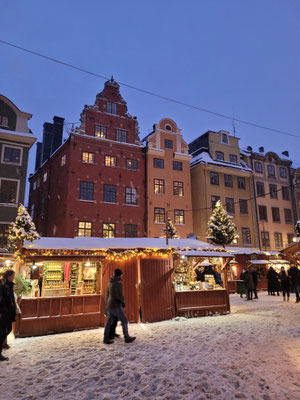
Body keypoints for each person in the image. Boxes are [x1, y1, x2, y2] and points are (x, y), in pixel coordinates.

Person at [103, 269, 136, 345]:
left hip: (110, 305)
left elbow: (109, 294)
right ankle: (126, 337)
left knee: (109, 322)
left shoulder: (110, 282)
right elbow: (119, 295)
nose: (122, 276)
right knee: (124, 320)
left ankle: (106, 338)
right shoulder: (118, 283)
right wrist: (122, 302)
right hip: (116, 304)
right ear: (119, 275)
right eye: (121, 274)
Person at [0, 270, 16, 361]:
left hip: (7, 312)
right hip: (3, 313)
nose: (14, 277)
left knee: (7, 330)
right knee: (2, 332)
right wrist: (4, 311)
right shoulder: (3, 285)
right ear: (9, 276)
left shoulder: (8, 285)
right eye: (13, 275)